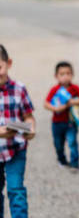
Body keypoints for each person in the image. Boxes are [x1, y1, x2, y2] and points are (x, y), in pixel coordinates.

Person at [0, 44, 36, 218]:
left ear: (9, 63)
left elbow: (28, 116)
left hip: (16, 148)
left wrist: (30, 128)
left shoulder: (19, 88)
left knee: (16, 191)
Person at [44, 61, 79, 170]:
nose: (65, 77)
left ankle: (74, 163)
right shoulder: (55, 90)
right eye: (62, 74)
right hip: (57, 122)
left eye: (68, 73)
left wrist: (72, 102)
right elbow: (46, 103)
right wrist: (55, 108)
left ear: (72, 74)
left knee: (72, 142)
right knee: (58, 144)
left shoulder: (75, 88)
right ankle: (62, 160)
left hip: (71, 122)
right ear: (56, 76)